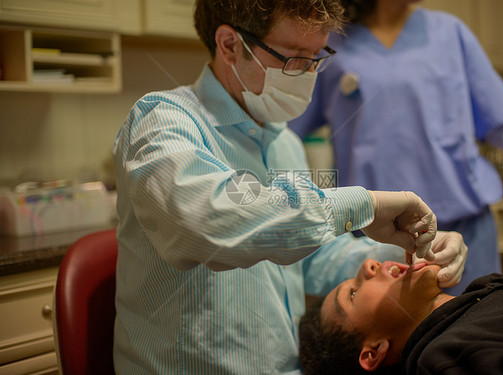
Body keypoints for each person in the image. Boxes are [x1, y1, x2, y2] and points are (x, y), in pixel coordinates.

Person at [111, 1, 469, 373]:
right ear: (231, 45)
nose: (308, 73)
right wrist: (363, 205)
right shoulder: (162, 122)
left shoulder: (285, 145)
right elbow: (209, 223)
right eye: (294, 57)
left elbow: (311, 257)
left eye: (317, 56)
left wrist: (412, 250)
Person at [289, 0, 503, 295]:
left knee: (480, 330)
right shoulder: (331, 43)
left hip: (465, 226)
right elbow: (286, 129)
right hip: (379, 237)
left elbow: (500, 125)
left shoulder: (449, 32)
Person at [299, 258, 503, 375]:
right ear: (373, 352)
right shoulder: (446, 360)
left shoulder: (484, 291)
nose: (368, 263)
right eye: (353, 294)